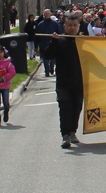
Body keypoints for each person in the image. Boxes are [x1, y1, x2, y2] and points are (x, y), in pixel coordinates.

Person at [44, 14, 84, 148]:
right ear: (64, 26)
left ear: (78, 26)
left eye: (75, 25)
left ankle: (73, 132)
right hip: (63, 83)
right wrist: (53, 41)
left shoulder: (83, 41)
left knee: (76, 108)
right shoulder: (59, 40)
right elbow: (48, 55)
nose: (72, 28)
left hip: (79, 83)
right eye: (70, 25)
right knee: (65, 108)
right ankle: (65, 135)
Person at [35, 9, 62, 77]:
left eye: (48, 13)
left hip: (52, 43)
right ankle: (47, 71)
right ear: (43, 15)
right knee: (45, 59)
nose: (47, 15)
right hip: (43, 44)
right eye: (45, 14)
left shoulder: (54, 23)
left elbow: (58, 33)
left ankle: (51, 69)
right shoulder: (40, 24)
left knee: (52, 58)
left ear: (50, 15)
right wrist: (36, 46)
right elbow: (36, 36)